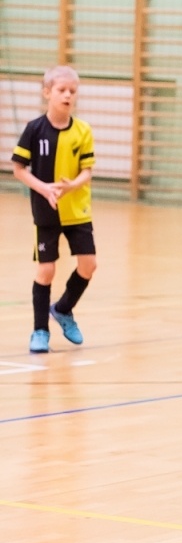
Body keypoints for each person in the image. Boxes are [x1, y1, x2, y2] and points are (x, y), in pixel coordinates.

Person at [12, 65, 97, 354]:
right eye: (62, 90)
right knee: (46, 270)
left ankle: (63, 309)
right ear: (47, 93)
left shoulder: (83, 130)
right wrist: (44, 188)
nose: (68, 95)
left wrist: (72, 185)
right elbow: (19, 169)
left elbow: (87, 172)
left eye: (72, 91)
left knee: (89, 265)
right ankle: (39, 330)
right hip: (46, 210)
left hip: (78, 210)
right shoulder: (34, 129)